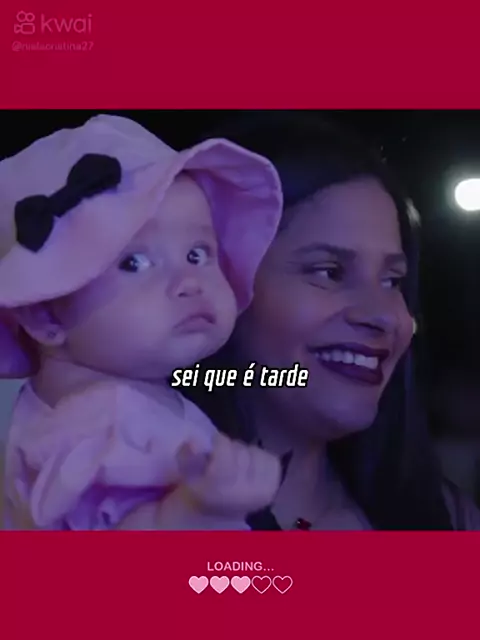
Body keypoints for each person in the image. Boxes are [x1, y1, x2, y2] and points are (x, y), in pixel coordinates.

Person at [178, 111, 480, 531]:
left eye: (393, 280)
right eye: (330, 272)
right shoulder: (109, 505)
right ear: (218, 284)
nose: (383, 315)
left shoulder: (450, 522)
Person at [0, 114, 283, 530]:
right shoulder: (100, 425)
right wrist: (197, 511)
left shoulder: (111, 406)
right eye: (135, 263)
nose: (190, 281)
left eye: (198, 254)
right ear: (46, 315)